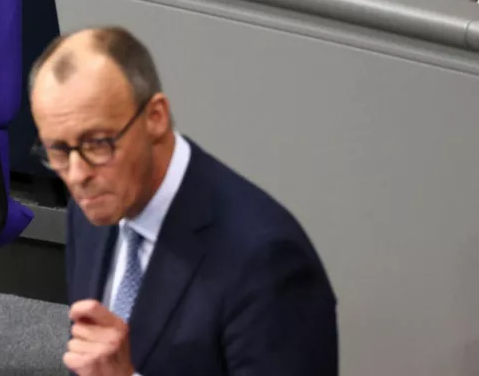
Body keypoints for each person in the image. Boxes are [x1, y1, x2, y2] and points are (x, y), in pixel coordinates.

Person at [28, 27, 337, 376]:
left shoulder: (266, 259)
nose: (76, 173)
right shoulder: (91, 210)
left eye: (98, 143)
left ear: (155, 117)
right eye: (57, 149)